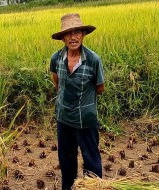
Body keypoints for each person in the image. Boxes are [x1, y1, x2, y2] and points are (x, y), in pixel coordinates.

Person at [50, 13, 104, 189]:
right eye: (68, 33)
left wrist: (82, 100)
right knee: (66, 160)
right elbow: (57, 82)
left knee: (91, 161)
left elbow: (99, 88)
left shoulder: (93, 60)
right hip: (63, 118)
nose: (73, 37)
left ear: (83, 34)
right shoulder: (56, 58)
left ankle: (93, 187)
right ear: (63, 38)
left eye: (77, 32)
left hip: (85, 120)